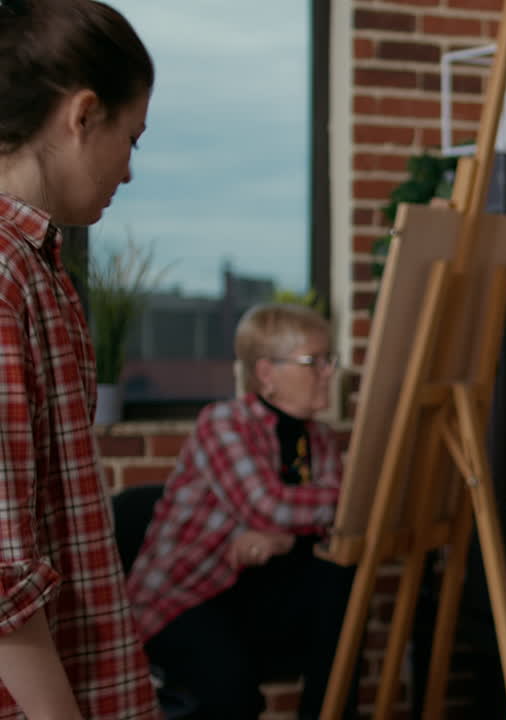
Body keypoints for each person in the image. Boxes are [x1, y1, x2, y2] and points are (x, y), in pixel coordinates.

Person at [0, 0, 158, 717]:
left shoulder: (41, 269)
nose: (129, 170)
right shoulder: (4, 276)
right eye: (131, 138)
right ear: (83, 114)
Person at [126, 303, 359, 720]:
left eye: (329, 360)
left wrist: (286, 534)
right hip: (188, 597)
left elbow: (329, 521)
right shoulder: (223, 422)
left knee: (339, 584)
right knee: (232, 696)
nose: (328, 371)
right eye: (314, 362)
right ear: (267, 373)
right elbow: (270, 507)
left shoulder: (318, 437)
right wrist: (295, 527)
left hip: (251, 589)